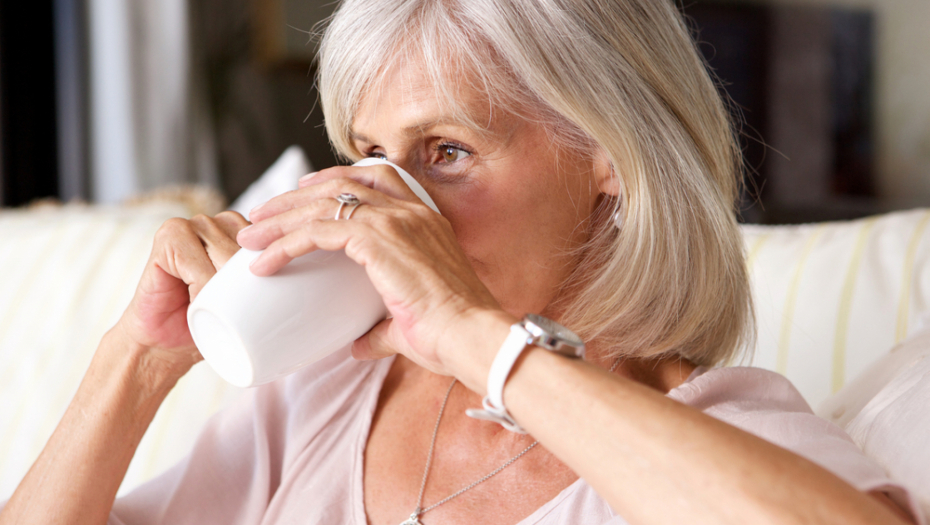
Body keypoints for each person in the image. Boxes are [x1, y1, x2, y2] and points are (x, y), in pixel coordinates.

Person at [0, 1, 923, 524]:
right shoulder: (320, 403)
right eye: (373, 154)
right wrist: (135, 363)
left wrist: (481, 340)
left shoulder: (709, 431)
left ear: (609, 158)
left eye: (446, 152)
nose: (392, 207)